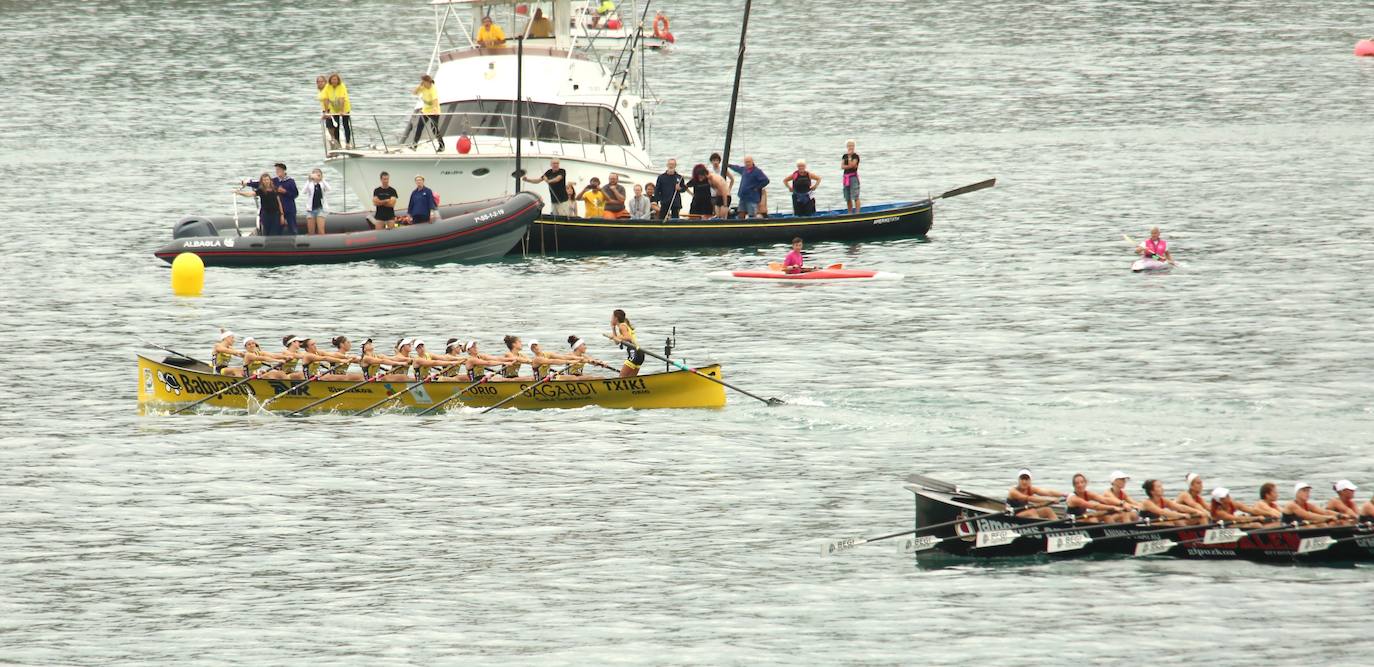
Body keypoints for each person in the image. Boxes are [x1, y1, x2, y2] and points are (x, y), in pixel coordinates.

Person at [1139, 479, 1207, 525]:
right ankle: (1186, 535)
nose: (1162, 488)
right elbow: (1162, 512)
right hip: (1148, 526)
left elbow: (1179, 507)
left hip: (1159, 523)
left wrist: (1196, 511)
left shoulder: (1163, 500)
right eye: (1159, 487)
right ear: (1152, 491)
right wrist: (1181, 515)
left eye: (1161, 486)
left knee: (1201, 516)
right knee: (1173, 519)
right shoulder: (1147, 503)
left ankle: (1204, 536)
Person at [411, 74, 444, 151]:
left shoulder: (433, 89)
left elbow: (435, 100)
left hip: (434, 112)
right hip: (425, 111)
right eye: (422, 82)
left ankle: (442, 146)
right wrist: (419, 86)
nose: (423, 83)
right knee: (419, 127)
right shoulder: (423, 87)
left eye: (424, 82)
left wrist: (435, 108)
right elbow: (414, 93)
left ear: (428, 82)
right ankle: (414, 145)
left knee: (434, 128)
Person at [608, 309, 645, 378]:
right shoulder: (623, 325)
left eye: (612, 317)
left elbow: (628, 337)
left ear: (616, 318)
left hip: (634, 351)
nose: (611, 319)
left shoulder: (622, 326)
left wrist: (615, 337)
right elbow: (616, 342)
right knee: (631, 379)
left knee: (622, 377)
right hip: (640, 353)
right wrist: (613, 328)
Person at [271, 163, 300, 236]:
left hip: (289, 208)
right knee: (277, 228)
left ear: (284, 170)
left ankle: (296, 241)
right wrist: (249, 183)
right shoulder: (274, 181)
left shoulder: (290, 181)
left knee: (293, 228)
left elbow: (295, 194)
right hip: (278, 209)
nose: (277, 171)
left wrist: (285, 192)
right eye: (276, 170)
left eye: (279, 170)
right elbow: (262, 183)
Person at [326, 73, 352, 148]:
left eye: (336, 79)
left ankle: (348, 142)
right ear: (330, 80)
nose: (334, 81)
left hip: (344, 107)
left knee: (345, 124)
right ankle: (338, 143)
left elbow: (342, 99)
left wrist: (341, 110)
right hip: (334, 108)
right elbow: (326, 98)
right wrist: (327, 111)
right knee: (336, 125)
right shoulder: (328, 87)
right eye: (333, 79)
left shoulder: (341, 86)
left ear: (338, 80)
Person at [302, 168, 330, 235]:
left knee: (321, 230)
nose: (316, 175)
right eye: (315, 173)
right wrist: (309, 180)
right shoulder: (310, 183)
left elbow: (329, 188)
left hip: (320, 208)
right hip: (310, 209)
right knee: (311, 232)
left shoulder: (322, 183)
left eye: (318, 174)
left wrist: (322, 179)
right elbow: (304, 191)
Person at [709, 152, 734, 218]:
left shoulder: (723, 170)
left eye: (717, 160)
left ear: (719, 161)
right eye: (714, 160)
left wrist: (729, 189)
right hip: (714, 195)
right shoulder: (710, 171)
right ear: (711, 162)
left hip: (723, 194)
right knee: (716, 214)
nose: (715, 162)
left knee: (723, 214)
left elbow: (732, 179)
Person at [316, 75, 338, 147]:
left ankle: (335, 147)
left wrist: (326, 113)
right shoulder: (320, 90)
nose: (320, 83)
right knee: (330, 130)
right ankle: (335, 146)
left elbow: (328, 100)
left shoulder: (326, 89)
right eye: (318, 82)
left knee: (331, 131)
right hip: (326, 111)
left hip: (330, 111)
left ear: (325, 82)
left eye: (321, 81)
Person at [841, 140, 861, 214]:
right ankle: (849, 212)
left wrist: (849, 158)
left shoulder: (856, 156)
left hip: (853, 177)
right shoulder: (844, 156)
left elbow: (853, 165)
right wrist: (849, 165)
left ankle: (857, 212)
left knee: (855, 196)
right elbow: (842, 166)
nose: (850, 147)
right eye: (849, 145)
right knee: (847, 197)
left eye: (852, 145)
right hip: (846, 177)